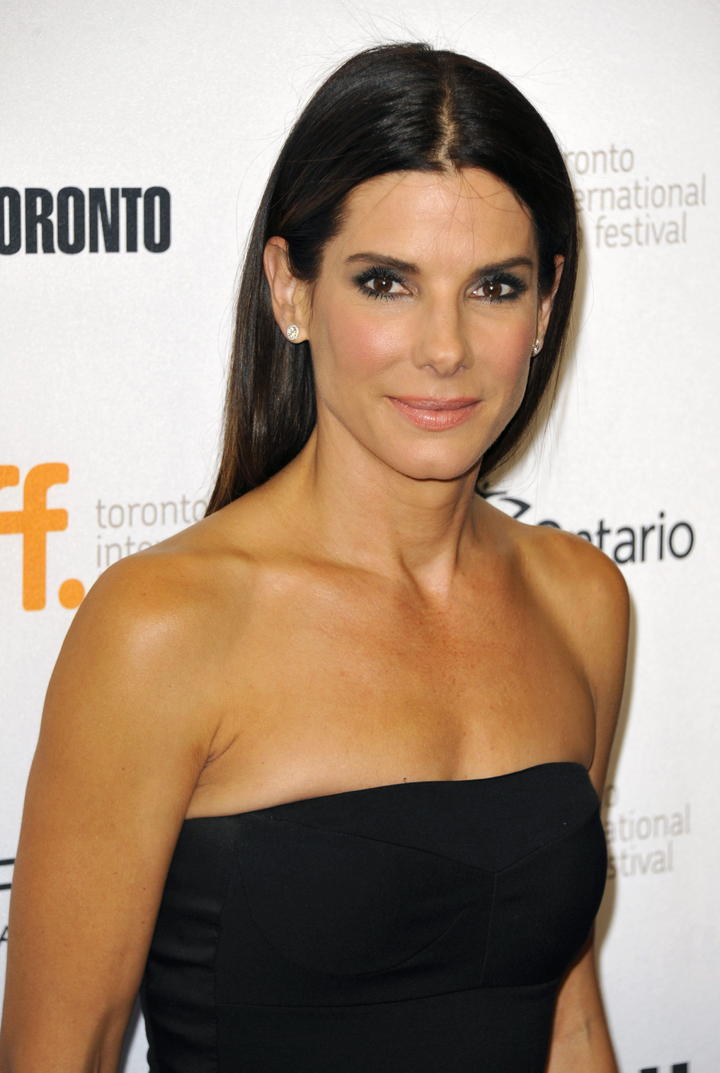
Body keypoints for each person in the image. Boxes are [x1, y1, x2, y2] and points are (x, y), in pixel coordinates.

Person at [0, 41, 629, 1073]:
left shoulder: (582, 599)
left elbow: (570, 1023)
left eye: (493, 286)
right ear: (290, 290)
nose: (444, 348)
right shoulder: (165, 626)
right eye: (386, 283)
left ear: (547, 303)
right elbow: (58, 1052)